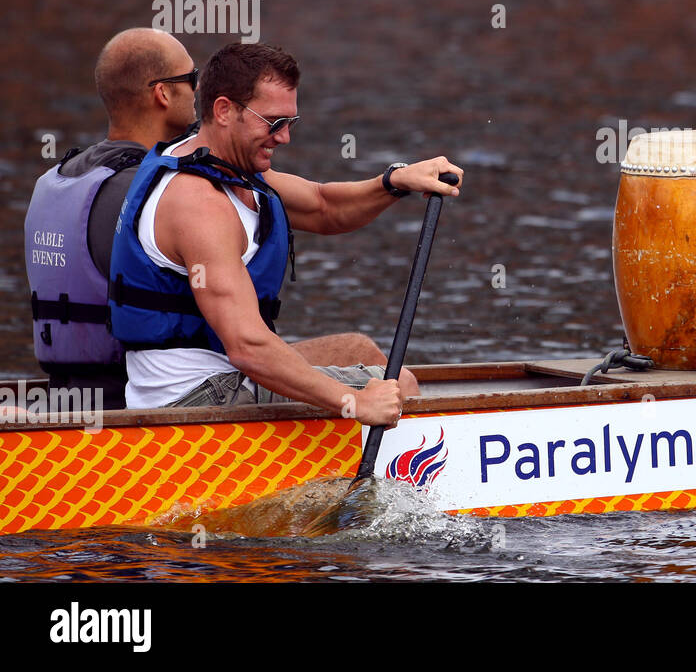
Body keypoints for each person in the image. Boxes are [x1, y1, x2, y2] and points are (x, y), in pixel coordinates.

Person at [108, 43, 463, 427]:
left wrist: (394, 182)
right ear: (224, 110)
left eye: (291, 123)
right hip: (191, 401)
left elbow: (324, 206)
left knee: (357, 350)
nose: (284, 138)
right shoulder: (198, 204)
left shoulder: (221, 162)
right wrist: (355, 403)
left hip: (221, 373)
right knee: (403, 385)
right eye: (274, 122)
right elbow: (247, 347)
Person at [25, 28, 199, 409]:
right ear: (163, 93)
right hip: (141, 405)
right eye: (192, 79)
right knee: (351, 348)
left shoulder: (52, 181)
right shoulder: (153, 192)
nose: (197, 91)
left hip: (63, 398)